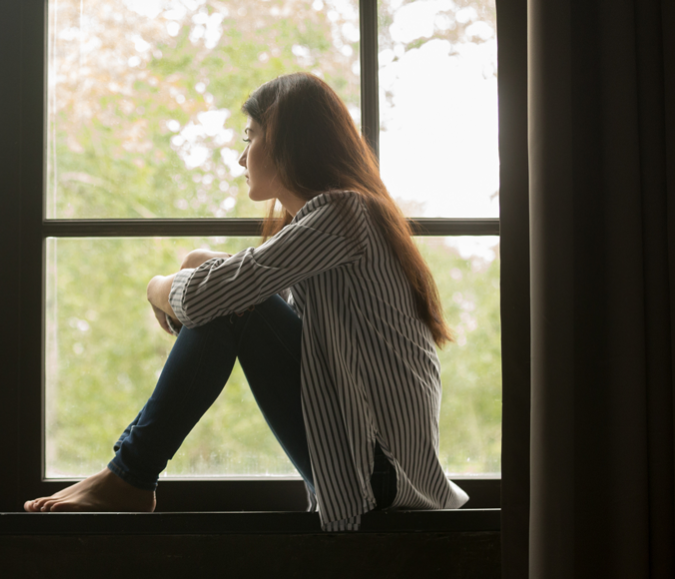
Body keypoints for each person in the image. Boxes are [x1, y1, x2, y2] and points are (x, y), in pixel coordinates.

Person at [24, 72, 469, 531]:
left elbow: (214, 298)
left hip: (379, 477)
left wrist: (158, 285)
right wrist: (198, 264)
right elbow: (247, 293)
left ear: (287, 142)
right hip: (373, 472)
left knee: (234, 302)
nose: (241, 157)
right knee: (230, 296)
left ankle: (130, 476)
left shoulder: (343, 213)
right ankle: (127, 475)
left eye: (250, 137)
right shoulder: (344, 221)